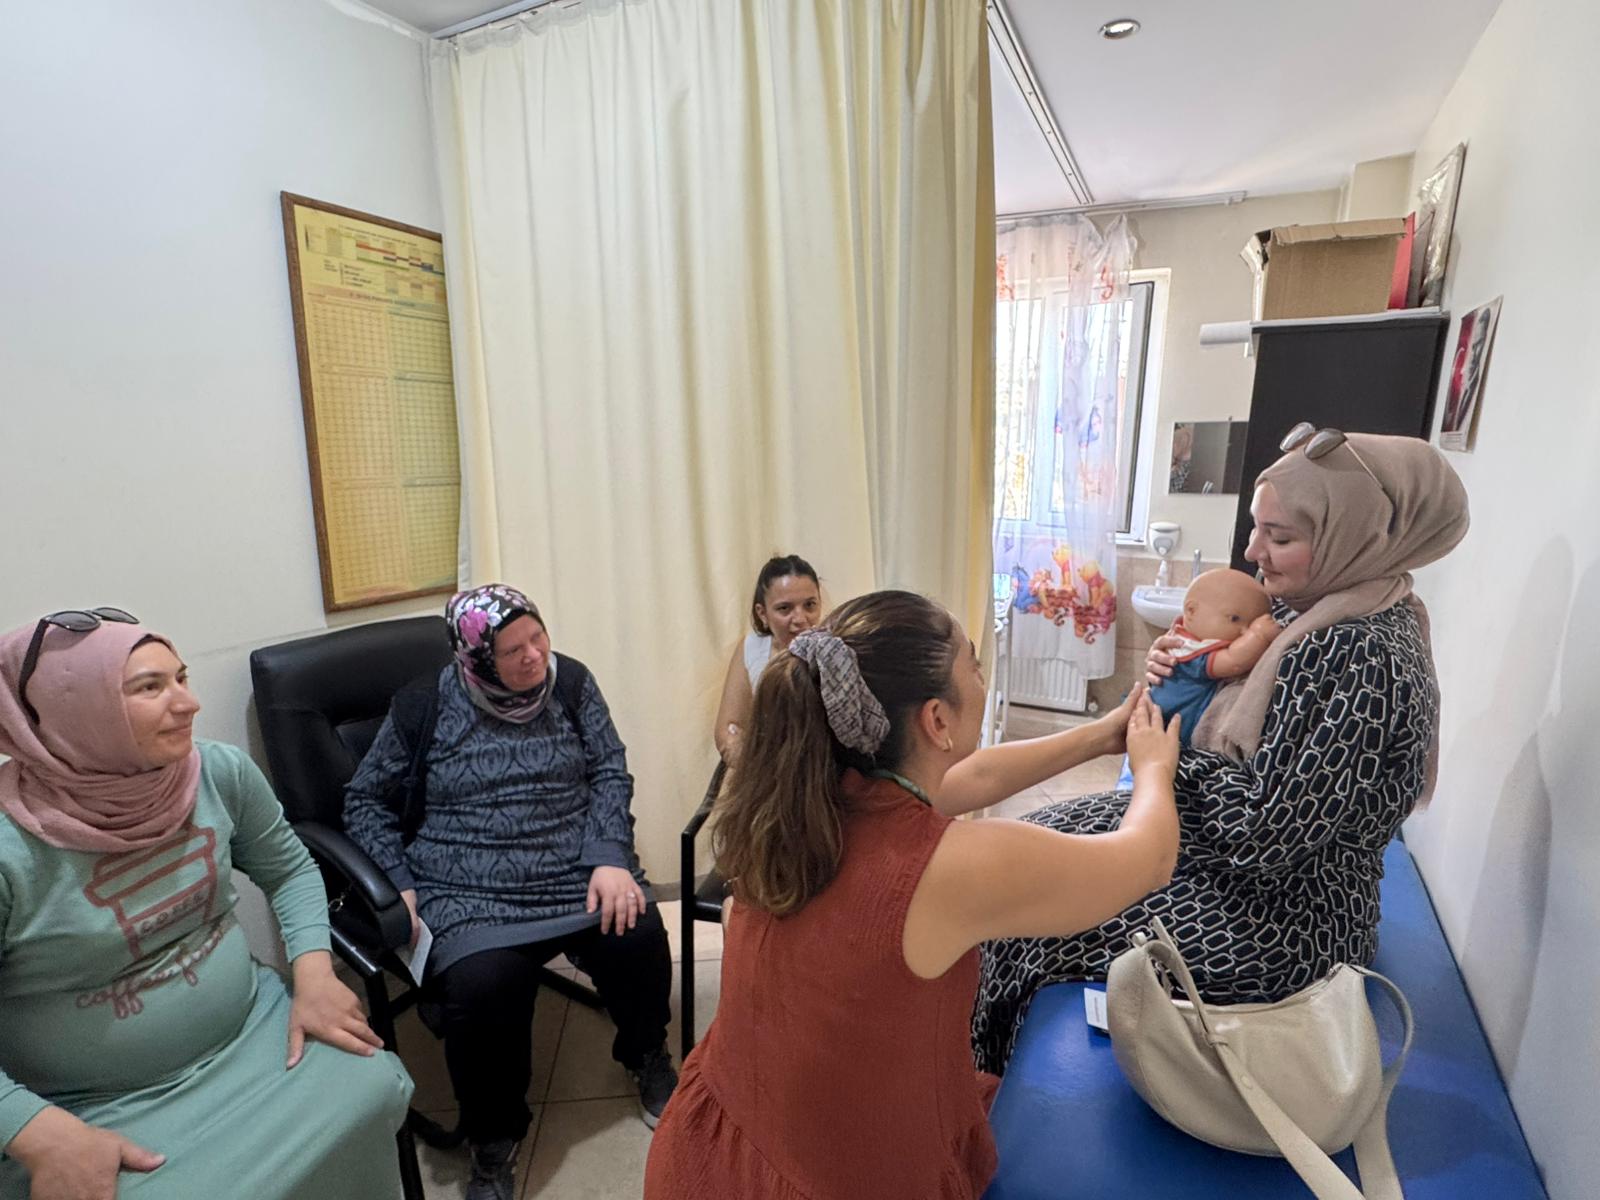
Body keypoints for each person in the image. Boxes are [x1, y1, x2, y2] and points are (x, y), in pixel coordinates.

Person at [644, 590, 1181, 1200]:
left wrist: (1102, 736)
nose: (982, 678)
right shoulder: (945, 866)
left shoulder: (815, 796)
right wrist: (1153, 769)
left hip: (711, 1149)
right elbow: (1150, 858)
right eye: (973, 663)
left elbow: (975, 776)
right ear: (937, 720)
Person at [972, 428, 1470, 1074]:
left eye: (1279, 537)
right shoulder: (1325, 610)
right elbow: (1242, 696)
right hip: (1232, 868)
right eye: (1257, 528)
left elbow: (1262, 838)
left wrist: (1166, 759)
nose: (1253, 551)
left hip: (1282, 923)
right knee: (1027, 848)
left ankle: (986, 1090)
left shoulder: (1354, 650)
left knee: (1031, 919)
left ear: (1358, 535)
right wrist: (1184, 668)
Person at [0, 609, 412, 1200]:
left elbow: (289, 868)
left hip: (254, 1030)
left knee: (367, 1088)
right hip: (90, 1103)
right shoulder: (11, 845)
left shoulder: (216, 771)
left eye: (182, 678)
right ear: (73, 712)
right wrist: (37, 1133)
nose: (189, 704)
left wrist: (315, 974)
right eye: (150, 687)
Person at [344, 584, 676, 1200]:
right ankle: (494, 1140)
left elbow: (609, 769)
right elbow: (364, 799)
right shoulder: (423, 704)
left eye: (538, 637)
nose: (534, 656)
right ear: (474, 658)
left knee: (638, 931)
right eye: (512, 650)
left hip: (573, 869)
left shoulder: (572, 682)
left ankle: (645, 1054)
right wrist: (399, 882)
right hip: (466, 883)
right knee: (484, 984)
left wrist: (609, 857)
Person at [1150, 568, 1278, 747]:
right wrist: (1258, 635)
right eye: (1234, 619)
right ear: (1191, 611)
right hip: (1170, 732)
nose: (1243, 631)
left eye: (1250, 625)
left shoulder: (1186, 637)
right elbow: (1234, 662)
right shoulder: (1187, 650)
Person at [712, 555, 821, 764]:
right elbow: (728, 728)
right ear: (762, 613)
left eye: (810, 605)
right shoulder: (752, 648)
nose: (800, 619)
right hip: (762, 769)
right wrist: (754, 766)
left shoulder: (836, 652)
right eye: (784, 608)